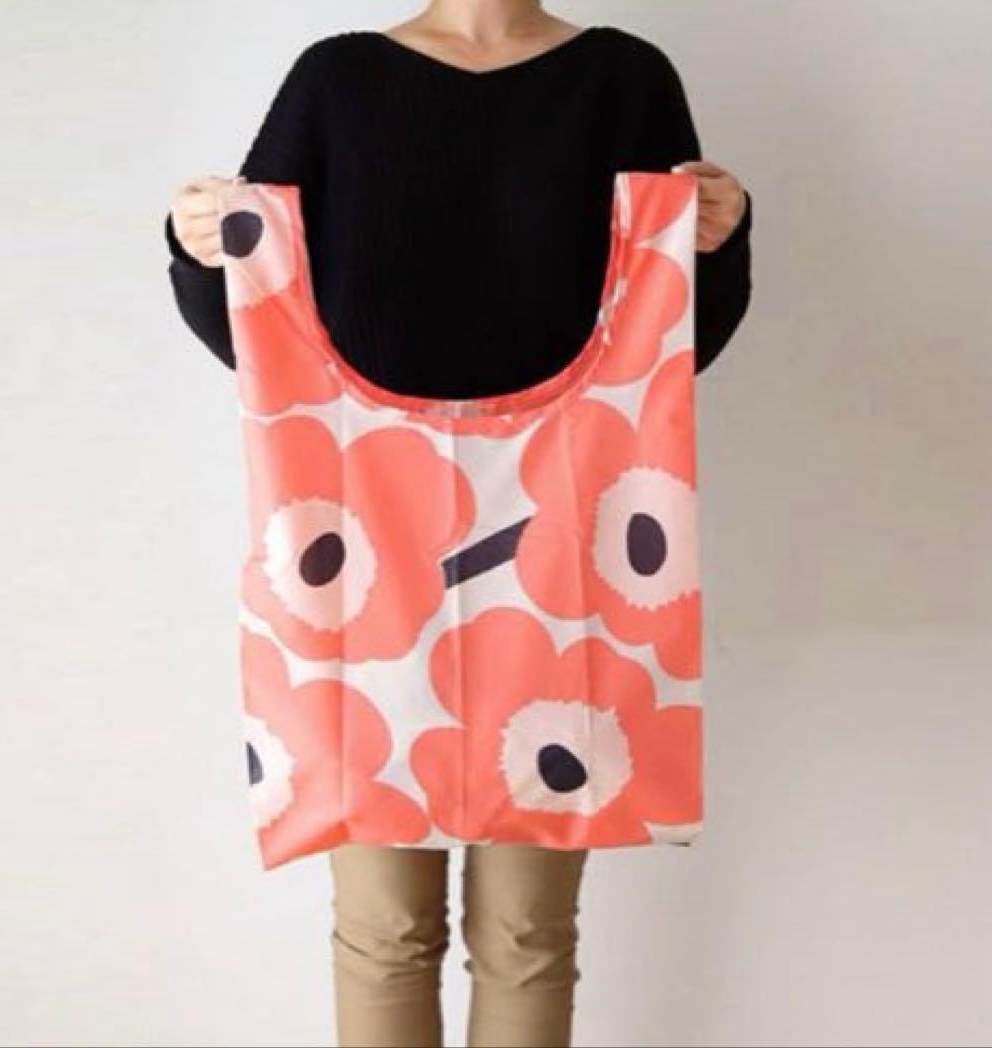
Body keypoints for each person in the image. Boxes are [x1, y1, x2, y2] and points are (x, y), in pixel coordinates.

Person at [164, 3, 753, 1047]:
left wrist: (719, 232)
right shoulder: (336, 82)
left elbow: (674, 337)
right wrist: (198, 241)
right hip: (364, 540)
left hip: (563, 538)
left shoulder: (624, 81)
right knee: (384, 930)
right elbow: (256, 322)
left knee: (528, 931)